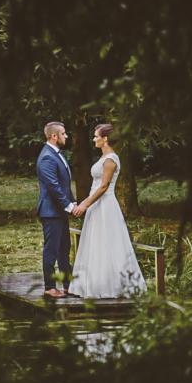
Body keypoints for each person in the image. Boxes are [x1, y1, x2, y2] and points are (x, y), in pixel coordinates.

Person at [69, 124, 148, 298]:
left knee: (108, 241)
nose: (94, 139)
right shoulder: (104, 157)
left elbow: (104, 186)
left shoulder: (111, 159)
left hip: (105, 205)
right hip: (96, 204)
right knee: (96, 242)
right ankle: (94, 283)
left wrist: (85, 204)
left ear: (105, 139)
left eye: (96, 136)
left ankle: (113, 286)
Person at [35, 121, 77, 298]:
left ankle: (68, 285)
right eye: (63, 133)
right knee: (51, 250)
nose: (66, 136)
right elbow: (53, 186)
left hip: (60, 211)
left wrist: (72, 202)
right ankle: (50, 287)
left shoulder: (57, 154)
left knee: (64, 249)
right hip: (51, 212)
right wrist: (69, 206)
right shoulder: (47, 157)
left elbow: (64, 185)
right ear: (54, 136)